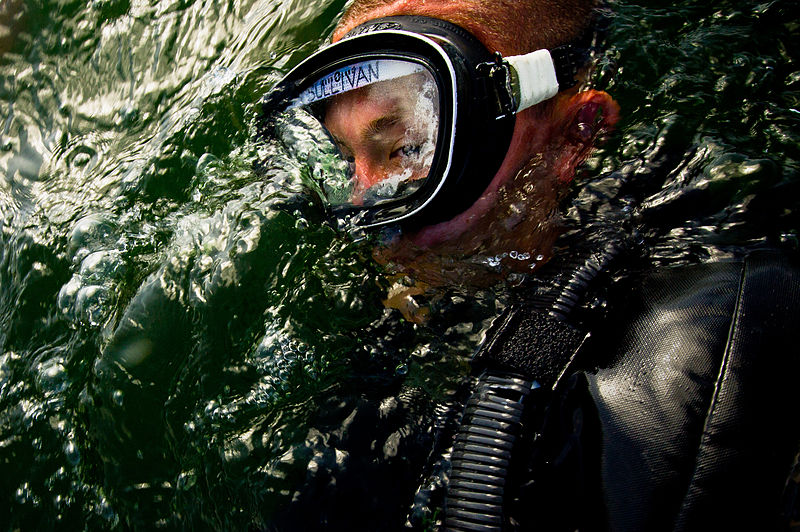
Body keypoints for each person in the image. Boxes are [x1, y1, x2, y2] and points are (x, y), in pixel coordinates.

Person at [261, 1, 800, 530]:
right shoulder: (373, 333)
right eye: (343, 158)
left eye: (408, 147)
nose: (365, 211)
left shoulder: (692, 368)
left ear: (577, 134)